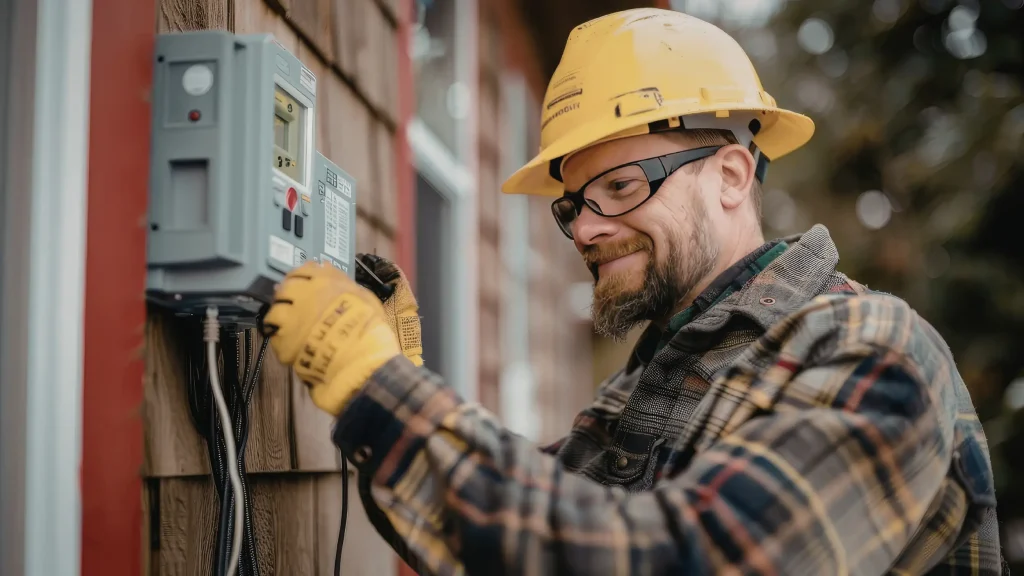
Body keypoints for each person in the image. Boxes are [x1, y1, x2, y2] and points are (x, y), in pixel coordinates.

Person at [263, 8, 1003, 575]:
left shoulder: (870, 354)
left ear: (732, 176)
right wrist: (398, 385)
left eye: (620, 186)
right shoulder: (660, 374)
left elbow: (665, 558)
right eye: (575, 204)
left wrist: (383, 393)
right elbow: (530, 528)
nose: (586, 230)